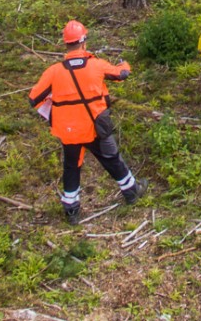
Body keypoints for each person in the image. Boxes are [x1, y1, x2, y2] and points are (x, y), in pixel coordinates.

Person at [29, 21, 144, 224]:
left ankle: (71, 210)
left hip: (68, 131)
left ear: (66, 44)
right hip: (95, 127)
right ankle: (131, 191)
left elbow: (34, 98)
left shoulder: (54, 72)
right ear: (83, 42)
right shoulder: (96, 65)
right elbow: (121, 74)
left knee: (71, 167)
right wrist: (125, 63)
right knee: (112, 158)